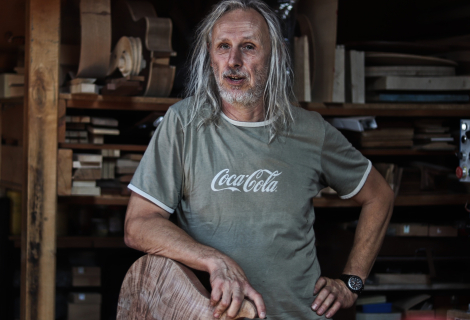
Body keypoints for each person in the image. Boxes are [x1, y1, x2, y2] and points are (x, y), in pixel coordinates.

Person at [124, 0, 394, 319]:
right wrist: (213, 260)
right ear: (210, 56)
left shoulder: (311, 131)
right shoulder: (183, 124)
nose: (233, 61)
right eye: (223, 46)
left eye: (248, 47)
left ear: (274, 55)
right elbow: (139, 224)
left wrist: (351, 283)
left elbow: (379, 195)